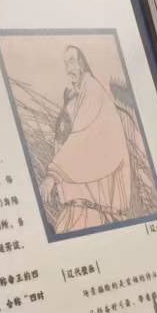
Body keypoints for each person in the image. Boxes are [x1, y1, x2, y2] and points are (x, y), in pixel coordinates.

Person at [45, 45, 134, 233]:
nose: (68, 69)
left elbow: (82, 136)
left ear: (82, 62)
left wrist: (53, 175)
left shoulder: (92, 90)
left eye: (71, 61)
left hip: (94, 204)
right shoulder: (80, 93)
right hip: (84, 201)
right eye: (65, 64)